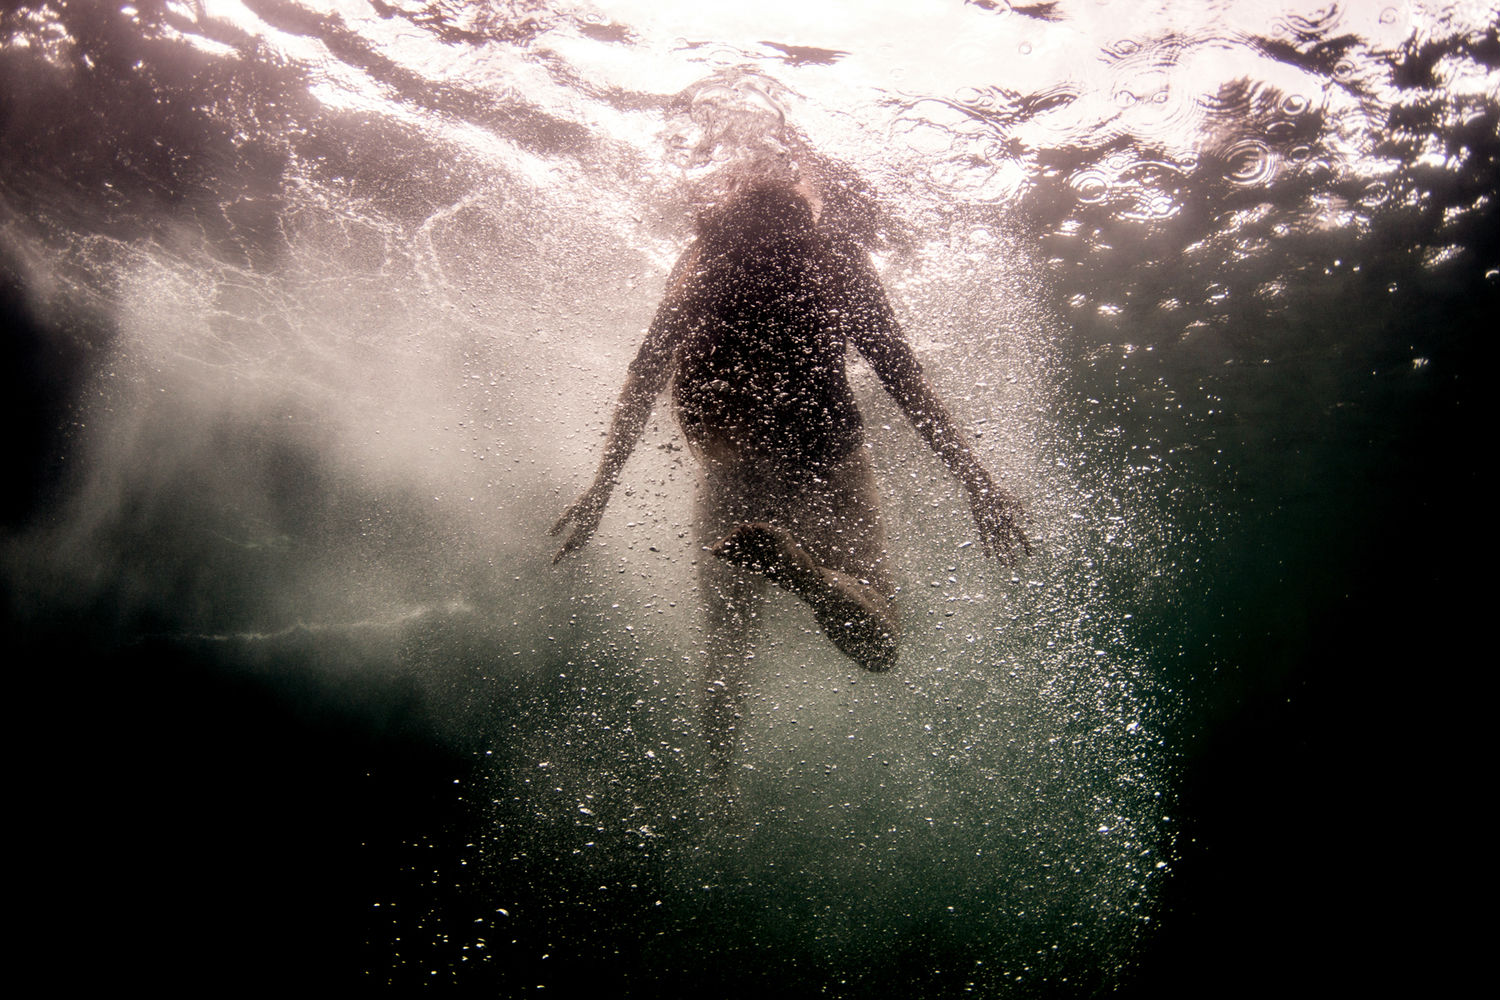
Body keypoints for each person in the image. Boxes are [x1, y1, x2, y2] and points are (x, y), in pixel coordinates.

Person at [551, 181, 1028, 777]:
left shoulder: (706, 255)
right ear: (805, 203)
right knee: (882, 644)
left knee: (728, 644)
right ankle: (806, 576)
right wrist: (976, 481)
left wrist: (602, 487)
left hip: (733, 460)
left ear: (725, 206)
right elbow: (904, 380)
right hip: (828, 459)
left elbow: (645, 376)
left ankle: (718, 795)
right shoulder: (833, 253)